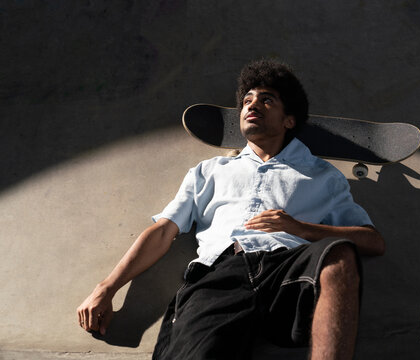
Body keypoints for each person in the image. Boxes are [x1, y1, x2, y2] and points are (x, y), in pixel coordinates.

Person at [77, 59, 385, 360]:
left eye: (267, 100)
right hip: (220, 274)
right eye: (247, 100)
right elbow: (162, 232)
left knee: (339, 254)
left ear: (289, 120)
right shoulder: (210, 171)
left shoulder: (322, 175)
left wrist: (302, 228)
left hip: (288, 270)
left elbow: (372, 241)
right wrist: (107, 287)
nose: (252, 105)